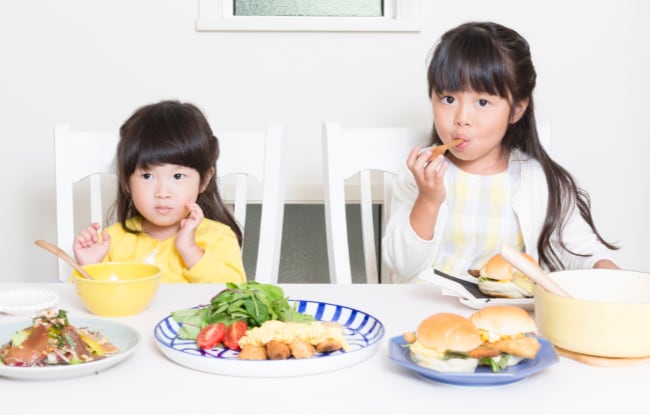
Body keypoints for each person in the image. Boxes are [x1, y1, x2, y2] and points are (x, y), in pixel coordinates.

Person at [382, 21, 619, 283]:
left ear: (516, 110)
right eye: (448, 99)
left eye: (482, 102)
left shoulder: (538, 179)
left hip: (507, 316)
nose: (462, 118)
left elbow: (582, 251)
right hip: (428, 314)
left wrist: (605, 271)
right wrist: (428, 200)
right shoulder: (421, 174)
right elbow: (401, 266)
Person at [73, 100, 246, 283]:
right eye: (147, 176)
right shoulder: (109, 242)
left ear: (204, 180)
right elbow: (83, 305)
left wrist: (190, 250)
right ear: (126, 180)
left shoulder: (218, 238)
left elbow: (234, 295)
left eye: (178, 176)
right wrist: (88, 268)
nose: (162, 193)